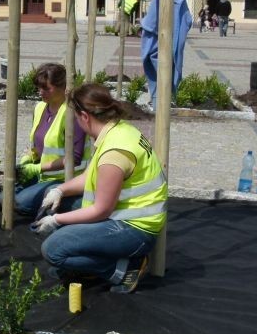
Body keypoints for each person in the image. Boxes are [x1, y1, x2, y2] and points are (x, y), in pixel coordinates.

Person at [33, 83, 168, 294]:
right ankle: (89, 264)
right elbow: (89, 178)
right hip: (125, 215)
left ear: (85, 117)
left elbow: (101, 210)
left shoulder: (114, 153)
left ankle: (122, 270)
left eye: (76, 117)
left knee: (53, 251)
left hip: (136, 230)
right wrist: (59, 190)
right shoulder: (117, 130)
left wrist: (55, 220)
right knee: (62, 207)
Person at [14, 63, 90, 217]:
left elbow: (74, 158)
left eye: (46, 88)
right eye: (38, 88)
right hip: (44, 175)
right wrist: (29, 157)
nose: (40, 92)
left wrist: (37, 168)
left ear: (63, 87)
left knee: (20, 203)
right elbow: (38, 144)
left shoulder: (72, 114)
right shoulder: (40, 108)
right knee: (5, 197)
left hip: (66, 178)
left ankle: (73, 203)